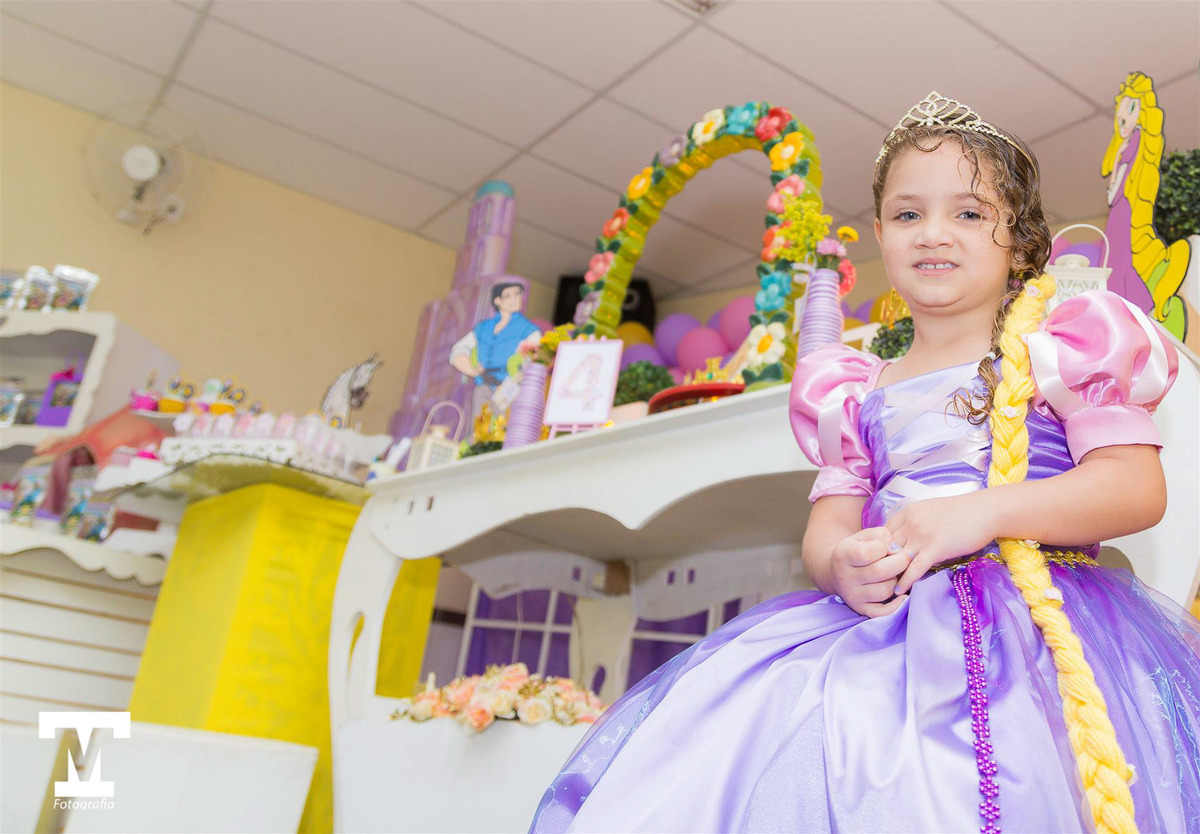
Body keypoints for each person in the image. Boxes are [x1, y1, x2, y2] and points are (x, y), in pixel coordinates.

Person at [529, 93, 1199, 833]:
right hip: (883, 636)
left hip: (1033, 641)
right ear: (879, 234)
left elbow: (1134, 488)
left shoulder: (1064, 351)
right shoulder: (852, 389)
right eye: (908, 214)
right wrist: (837, 565)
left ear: (1020, 241)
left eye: (969, 213)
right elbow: (828, 527)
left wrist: (982, 513)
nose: (933, 232)